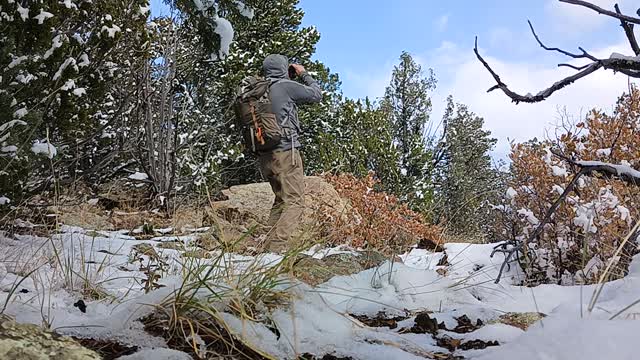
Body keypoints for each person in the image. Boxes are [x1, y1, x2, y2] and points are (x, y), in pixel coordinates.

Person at [258, 54, 322, 252]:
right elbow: (316, 94)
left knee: (280, 200)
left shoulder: (259, 90)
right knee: (295, 201)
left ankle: (265, 246)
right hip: (286, 152)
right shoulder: (285, 86)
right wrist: (303, 74)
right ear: (283, 69)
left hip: (265, 156)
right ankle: (277, 247)